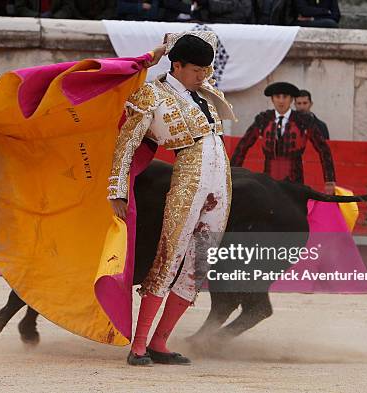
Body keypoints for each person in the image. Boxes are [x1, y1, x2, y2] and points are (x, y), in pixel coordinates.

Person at [108, 31, 235, 366]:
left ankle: (160, 343)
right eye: (196, 70)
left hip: (221, 179)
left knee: (199, 262)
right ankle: (138, 346)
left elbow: (206, 35)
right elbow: (126, 143)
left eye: (206, 70)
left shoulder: (203, 91)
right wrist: (117, 190)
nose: (204, 75)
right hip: (189, 177)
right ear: (177, 65)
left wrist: (173, 45)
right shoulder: (150, 94)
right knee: (169, 257)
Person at [230, 81, 336, 194]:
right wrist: (232, 175)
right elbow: (243, 146)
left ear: (291, 100)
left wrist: (329, 180)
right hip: (269, 181)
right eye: (277, 97)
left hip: (295, 181)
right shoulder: (263, 119)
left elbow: (323, 149)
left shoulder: (303, 121)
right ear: (272, 99)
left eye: (285, 97)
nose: (281, 101)